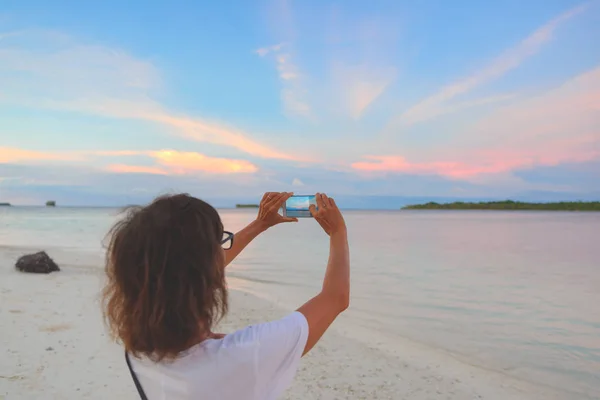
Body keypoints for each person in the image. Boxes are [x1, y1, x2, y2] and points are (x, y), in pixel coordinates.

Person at [102, 192, 350, 400]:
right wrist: (338, 232)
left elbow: (184, 269)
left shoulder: (138, 351)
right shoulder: (246, 354)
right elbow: (335, 297)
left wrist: (260, 224)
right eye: (218, 243)